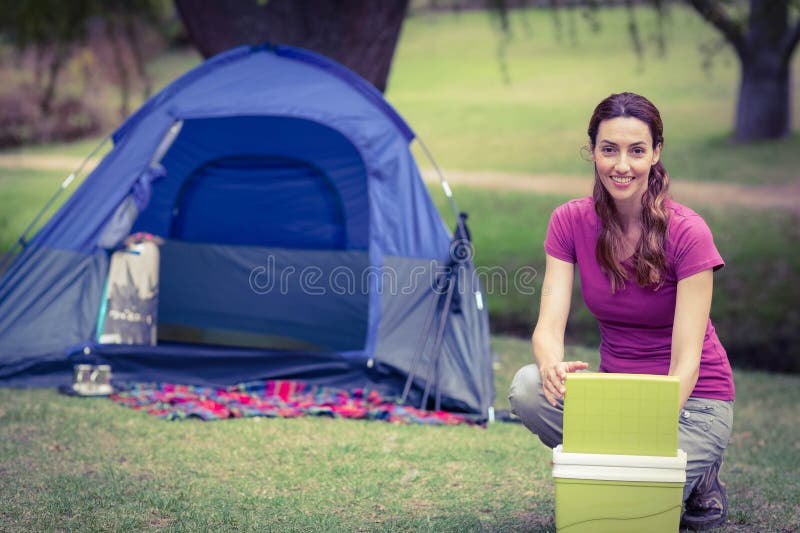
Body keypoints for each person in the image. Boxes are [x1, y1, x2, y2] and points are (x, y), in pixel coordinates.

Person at [508, 92, 734, 531]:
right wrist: (552, 365)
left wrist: (644, 421)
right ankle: (637, 467)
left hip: (691, 404)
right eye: (609, 149)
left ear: (656, 154)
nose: (621, 165)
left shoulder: (689, 232)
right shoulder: (569, 222)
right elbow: (547, 329)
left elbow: (686, 362)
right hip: (615, 396)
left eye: (636, 150)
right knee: (528, 387)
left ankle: (698, 473)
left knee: (624, 510)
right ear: (592, 151)